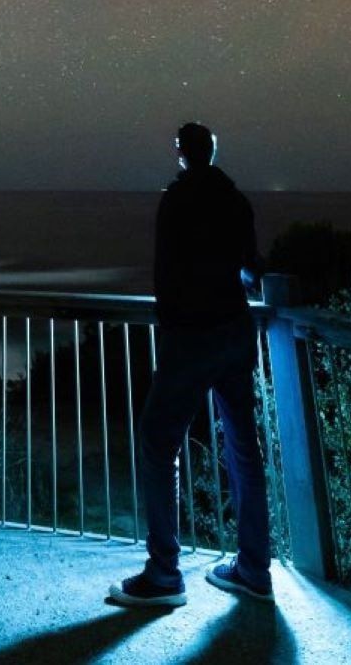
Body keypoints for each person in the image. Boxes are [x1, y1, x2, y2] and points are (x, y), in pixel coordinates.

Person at [107, 121, 273, 609]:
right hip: (235, 332)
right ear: (214, 153)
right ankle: (254, 568)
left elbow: (167, 273)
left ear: (181, 152)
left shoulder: (177, 200)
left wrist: (173, 319)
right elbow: (249, 268)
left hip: (191, 337)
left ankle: (164, 572)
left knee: (159, 443)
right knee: (244, 446)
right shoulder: (236, 201)